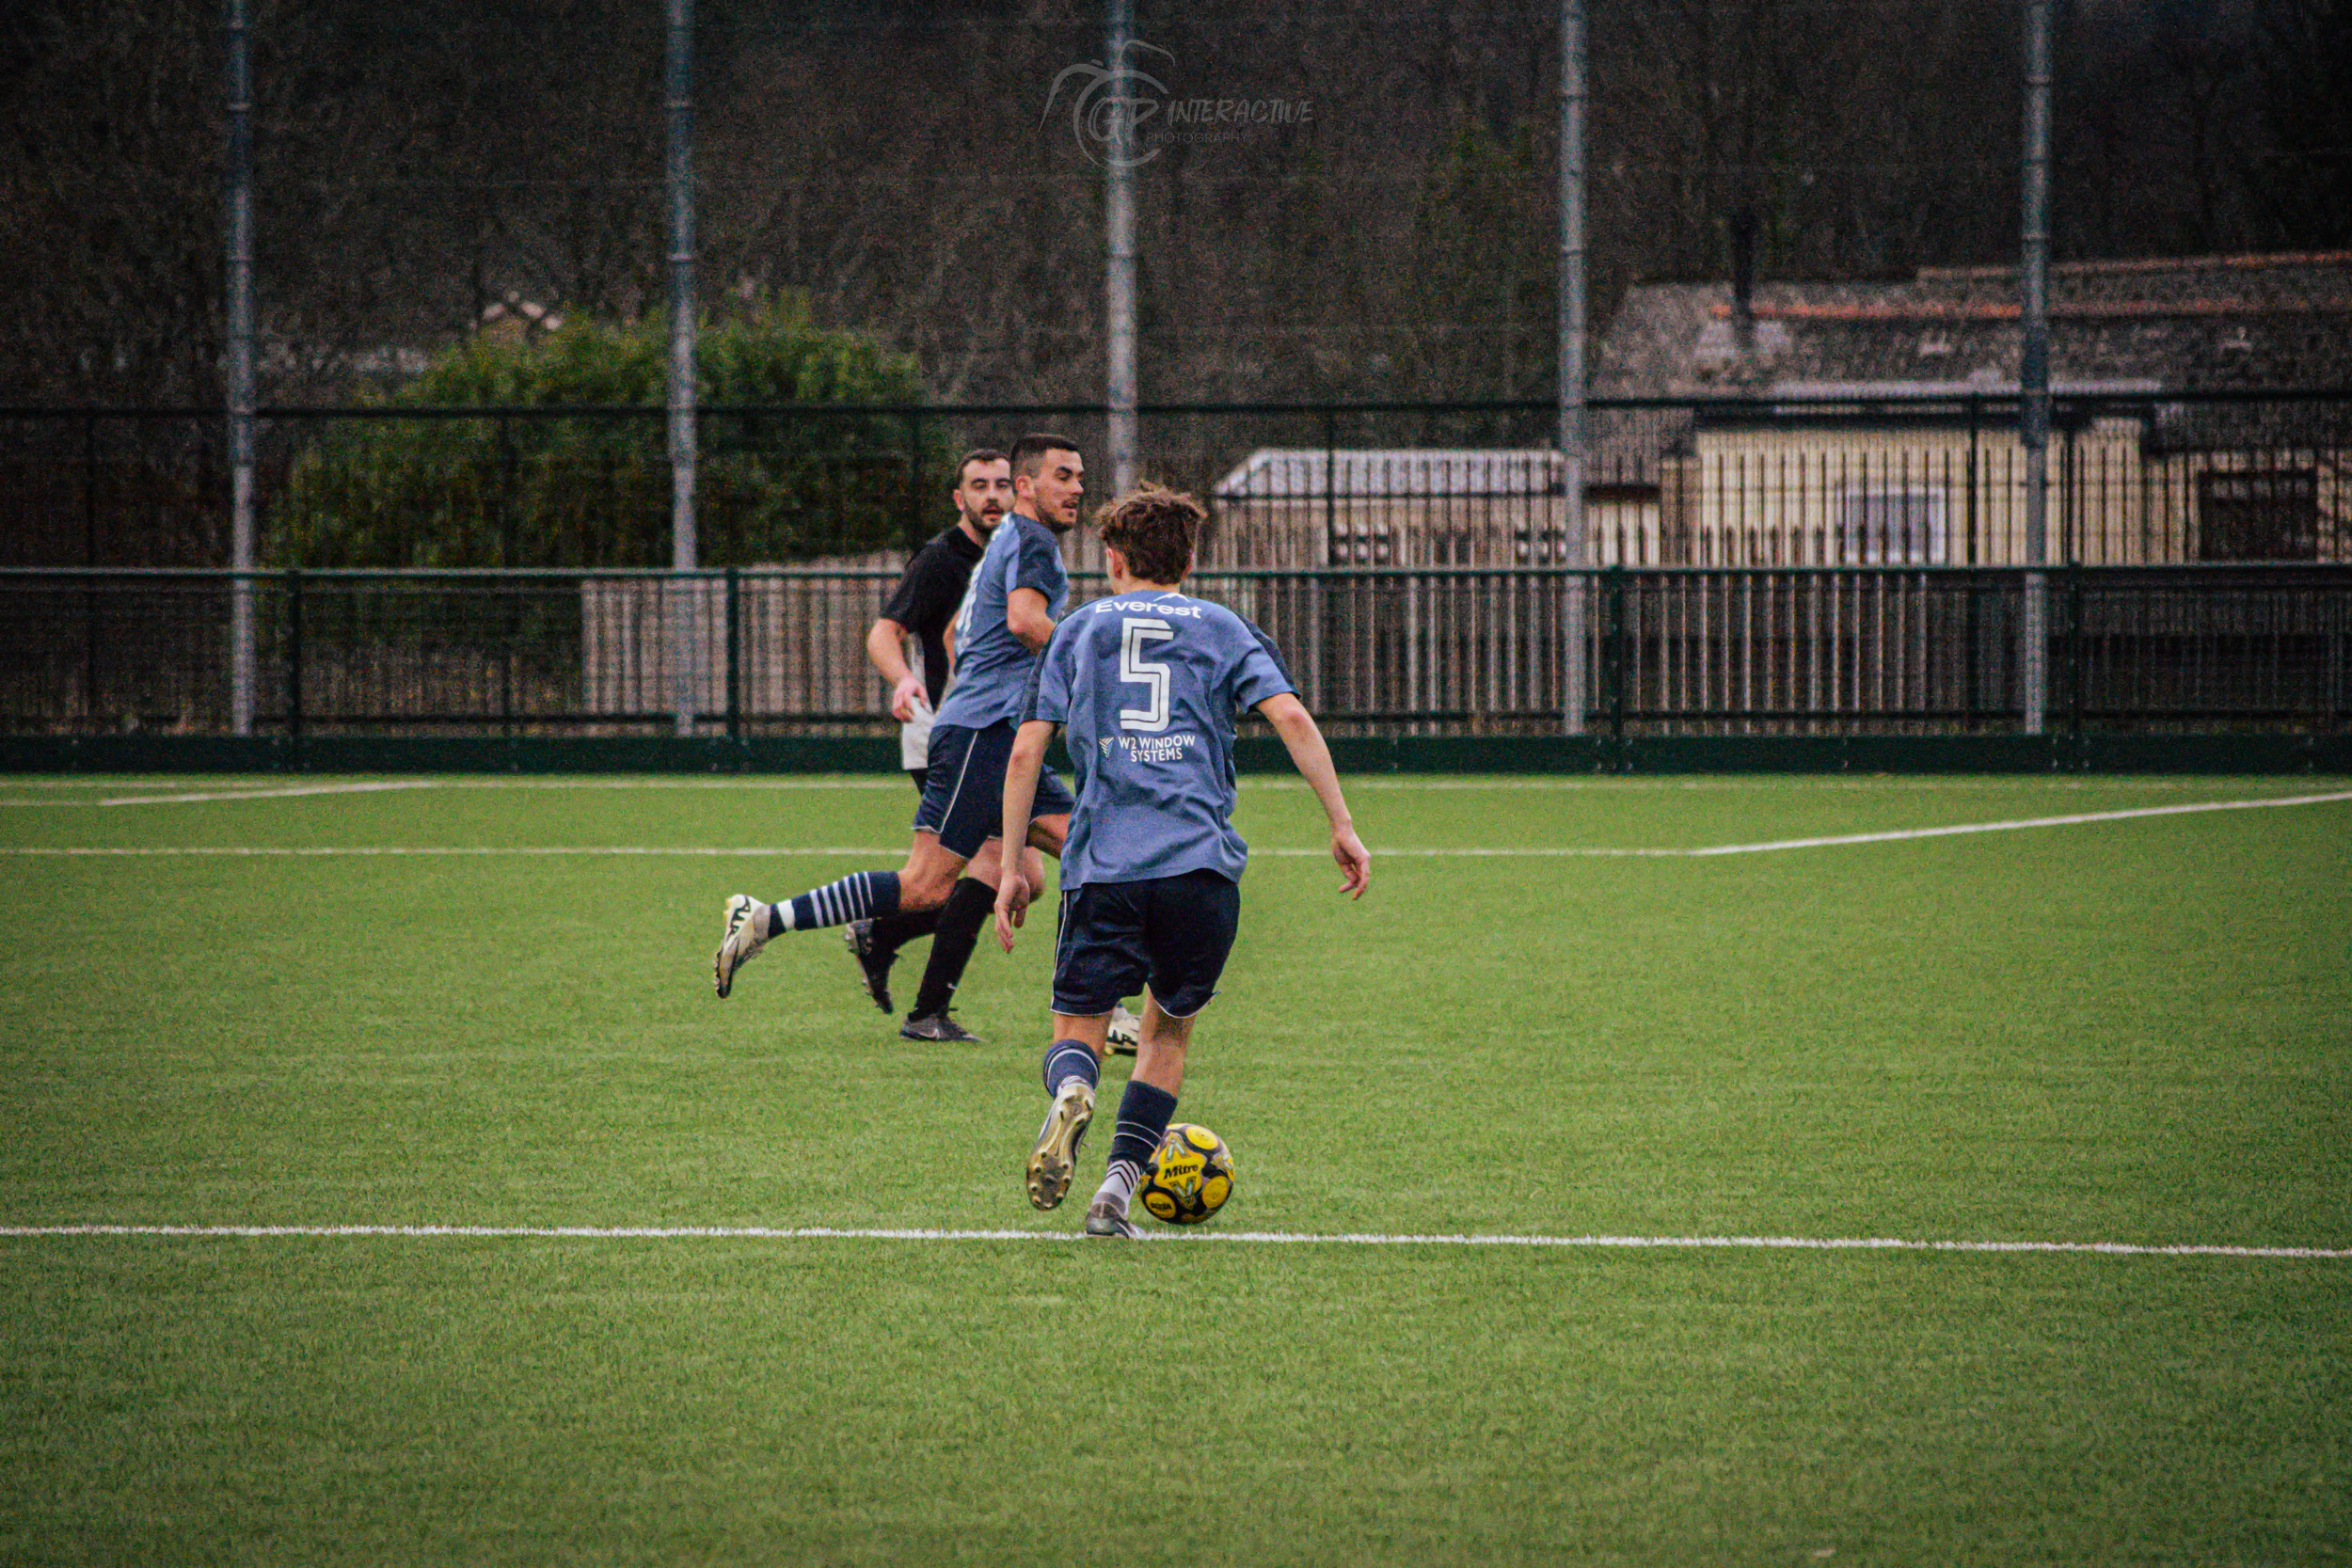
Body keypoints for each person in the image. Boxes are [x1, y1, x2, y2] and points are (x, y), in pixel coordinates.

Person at [993, 483, 1371, 1237]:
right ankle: (1114, 1194)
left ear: (1112, 558)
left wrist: (1009, 865)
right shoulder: (1225, 626)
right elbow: (1291, 715)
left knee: (1079, 1028)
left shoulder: (1078, 629)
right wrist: (1341, 823)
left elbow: (1027, 751)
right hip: (1199, 869)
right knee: (1166, 1034)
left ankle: (1073, 1089)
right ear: (1190, 559)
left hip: (1105, 866)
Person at [712, 434, 1089, 1015]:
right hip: (983, 736)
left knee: (1087, 846)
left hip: (987, 729)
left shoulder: (1008, 539)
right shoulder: (1031, 539)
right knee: (925, 885)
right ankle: (766, 919)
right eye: (1063, 476)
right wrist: (1091, 665)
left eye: (1079, 477)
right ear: (1028, 485)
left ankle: (1101, 1002)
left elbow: (957, 630)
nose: (1077, 489)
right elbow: (1023, 621)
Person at [843, 448, 1044, 1041]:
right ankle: (926, 1010)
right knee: (984, 869)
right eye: (978, 486)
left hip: (994, 732)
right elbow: (885, 631)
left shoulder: (1017, 553)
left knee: (1023, 879)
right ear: (960, 499)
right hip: (947, 731)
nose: (991, 496)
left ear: (1019, 492)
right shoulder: (940, 559)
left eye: (1001, 485)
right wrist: (903, 678)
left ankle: (886, 938)